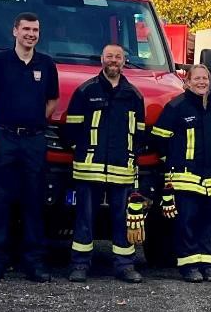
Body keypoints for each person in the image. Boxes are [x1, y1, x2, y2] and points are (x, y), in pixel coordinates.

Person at [0, 12, 60, 284]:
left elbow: (52, 102)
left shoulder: (46, 64)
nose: (31, 34)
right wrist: (4, 123)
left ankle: (34, 263)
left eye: (35, 30)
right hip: (6, 139)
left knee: (34, 202)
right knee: (0, 201)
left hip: (35, 140)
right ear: (14, 31)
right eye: (26, 29)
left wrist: (33, 121)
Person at [62, 44, 147, 284]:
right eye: (109, 56)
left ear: (124, 61)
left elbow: (139, 132)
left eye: (118, 57)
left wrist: (131, 156)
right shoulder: (86, 91)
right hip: (89, 168)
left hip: (122, 170)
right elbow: (71, 130)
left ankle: (125, 266)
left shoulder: (133, 95)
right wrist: (82, 151)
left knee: (124, 219)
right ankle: (80, 264)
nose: (113, 61)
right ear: (101, 59)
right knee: (84, 218)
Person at [151, 64, 211, 283]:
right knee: (187, 222)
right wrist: (174, 161)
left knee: (209, 223)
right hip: (185, 177)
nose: (202, 82)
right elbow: (159, 139)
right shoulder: (177, 106)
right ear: (187, 81)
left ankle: (206, 265)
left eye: (205, 79)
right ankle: (189, 266)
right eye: (197, 79)